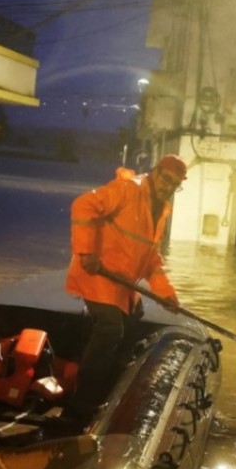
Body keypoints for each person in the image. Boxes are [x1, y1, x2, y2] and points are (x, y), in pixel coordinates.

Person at [64, 154, 187, 421]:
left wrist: (166, 293)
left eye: (175, 184)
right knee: (110, 328)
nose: (168, 187)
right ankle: (80, 406)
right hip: (96, 275)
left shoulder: (161, 210)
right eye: (166, 179)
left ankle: (112, 384)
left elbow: (152, 260)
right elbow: (83, 205)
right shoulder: (128, 189)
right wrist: (87, 252)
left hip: (121, 285)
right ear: (155, 172)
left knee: (135, 317)